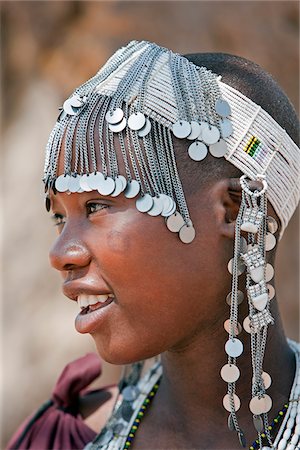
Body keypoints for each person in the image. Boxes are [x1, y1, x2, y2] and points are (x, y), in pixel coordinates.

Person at [7, 41, 300, 450]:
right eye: (59, 216)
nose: (60, 254)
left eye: (96, 205)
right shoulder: (68, 437)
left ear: (233, 213)